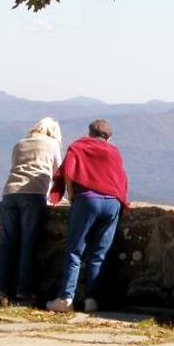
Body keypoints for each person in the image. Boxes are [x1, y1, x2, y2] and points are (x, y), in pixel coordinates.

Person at [46, 118, 130, 313]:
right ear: (109, 137)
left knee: (75, 250)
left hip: (88, 200)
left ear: (90, 133)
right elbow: (121, 178)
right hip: (113, 202)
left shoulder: (79, 146)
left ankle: (66, 299)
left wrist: (71, 193)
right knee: (99, 253)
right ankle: (93, 300)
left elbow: (68, 171)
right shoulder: (114, 152)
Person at [0, 117, 62, 306]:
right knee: (28, 243)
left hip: (9, 193)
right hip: (33, 194)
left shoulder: (19, 144)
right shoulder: (52, 144)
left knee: (8, 244)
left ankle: (2, 290)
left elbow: (15, 167)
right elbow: (58, 172)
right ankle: (25, 291)